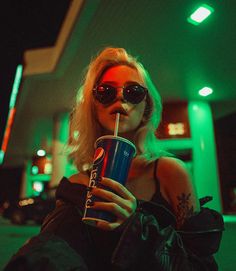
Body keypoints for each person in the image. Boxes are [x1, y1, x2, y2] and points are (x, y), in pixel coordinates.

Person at [4, 47, 224, 271]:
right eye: (106, 91)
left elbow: (198, 264)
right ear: (93, 107)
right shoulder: (77, 185)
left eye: (134, 92)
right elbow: (54, 251)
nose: (119, 98)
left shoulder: (169, 172)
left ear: (146, 108)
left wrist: (135, 226)